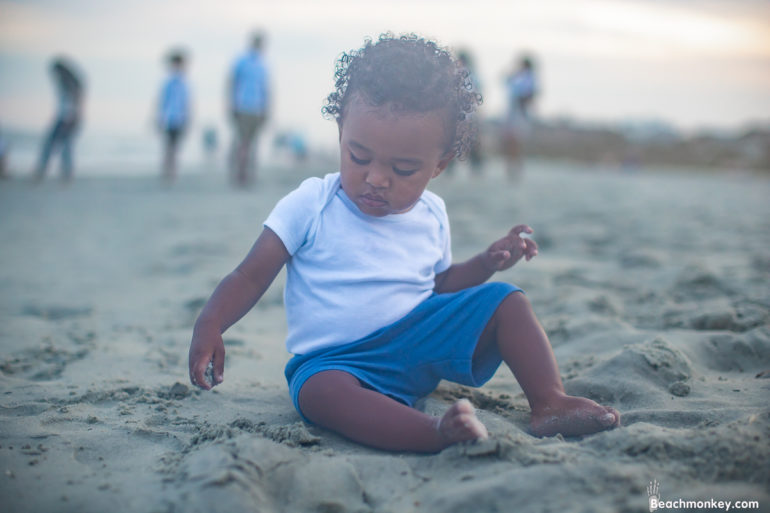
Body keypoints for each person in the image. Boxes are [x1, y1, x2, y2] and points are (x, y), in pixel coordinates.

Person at [188, 34, 619, 453]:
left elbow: (440, 285)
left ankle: (549, 402)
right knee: (317, 393)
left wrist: (487, 263)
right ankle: (431, 433)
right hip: (339, 363)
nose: (376, 178)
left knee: (508, 302)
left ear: (439, 165)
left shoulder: (431, 214)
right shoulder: (311, 205)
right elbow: (249, 276)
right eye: (359, 157)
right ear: (341, 131)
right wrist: (211, 323)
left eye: (404, 168)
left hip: (417, 343)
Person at [228, 31, 270, 187]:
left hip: (252, 107)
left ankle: (245, 174)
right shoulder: (246, 62)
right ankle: (242, 174)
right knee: (245, 143)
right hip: (246, 106)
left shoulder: (260, 64)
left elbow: (265, 89)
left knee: (248, 143)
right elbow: (233, 82)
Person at [34, 57, 84, 183]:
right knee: (62, 146)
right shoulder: (69, 84)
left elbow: (73, 104)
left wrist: (70, 118)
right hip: (65, 118)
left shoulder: (69, 85)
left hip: (67, 119)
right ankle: (62, 173)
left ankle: (54, 173)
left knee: (59, 146)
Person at [446, 48, 484, 176]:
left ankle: (472, 164)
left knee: (460, 139)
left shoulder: (464, 74)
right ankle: (456, 165)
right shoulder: (470, 74)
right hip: (464, 111)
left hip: (465, 111)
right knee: (464, 139)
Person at [157, 50, 191, 183]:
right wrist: (160, 117)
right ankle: (168, 171)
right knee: (169, 146)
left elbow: (186, 103)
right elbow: (163, 101)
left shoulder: (183, 82)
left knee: (174, 146)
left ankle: (171, 171)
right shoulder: (170, 82)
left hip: (179, 118)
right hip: (170, 118)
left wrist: (188, 118)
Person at [502, 54, 538, 179]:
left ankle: (517, 166)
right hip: (513, 110)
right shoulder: (518, 76)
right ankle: (511, 166)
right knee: (510, 140)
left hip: (521, 111)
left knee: (518, 140)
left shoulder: (530, 77)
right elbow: (506, 80)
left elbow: (531, 94)